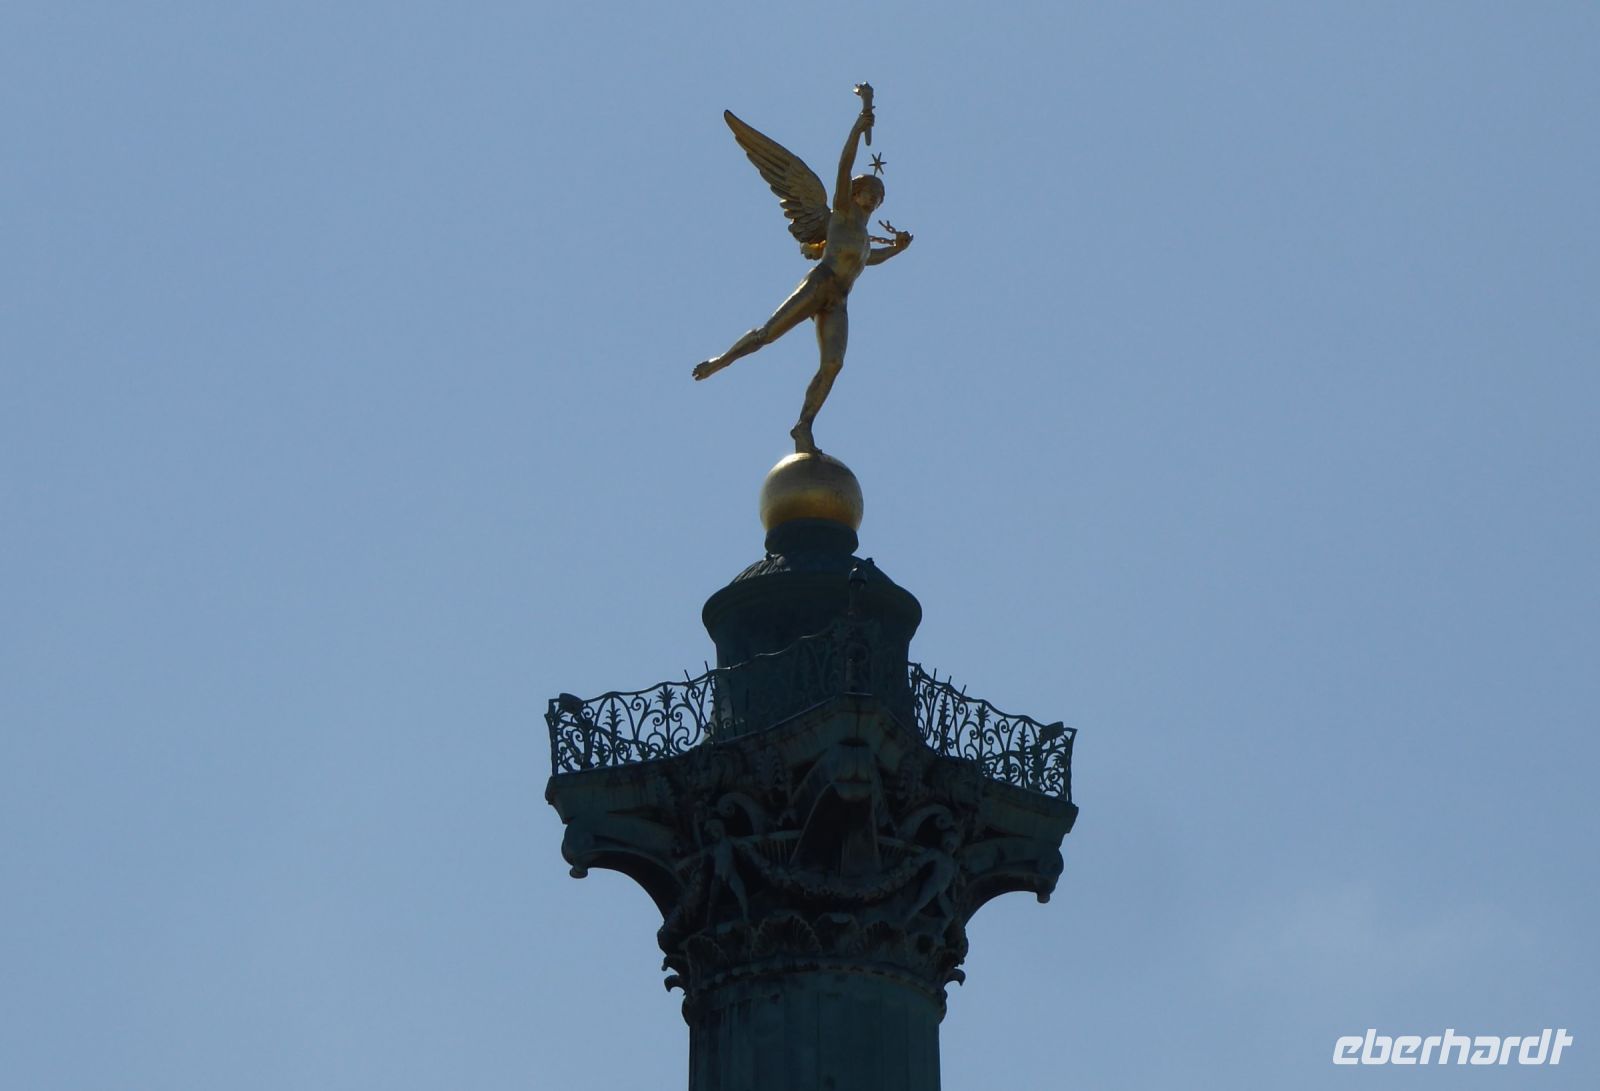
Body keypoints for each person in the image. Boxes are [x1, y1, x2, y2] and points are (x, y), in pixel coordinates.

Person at [692, 98, 912, 455]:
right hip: (820, 282)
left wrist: (899, 249)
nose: (874, 199)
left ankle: (803, 427)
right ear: (856, 193)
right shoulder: (839, 214)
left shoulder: (865, 241)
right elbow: (844, 164)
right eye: (870, 192)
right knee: (767, 334)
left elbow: (870, 260)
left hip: (839, 300)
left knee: (833, 364)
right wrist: (858, 126)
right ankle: (721, 361)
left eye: (879, 197)